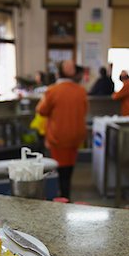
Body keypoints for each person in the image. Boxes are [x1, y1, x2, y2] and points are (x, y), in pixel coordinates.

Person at [36, 59, 88, 199]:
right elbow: (84, 111)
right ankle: (66, 195)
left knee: (59, 170)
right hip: (76, 136)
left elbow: (41, 111)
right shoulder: (81, 91)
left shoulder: (52, 90)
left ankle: (62, 197)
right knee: (69, 167)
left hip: (58, 136)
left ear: (58, 73)